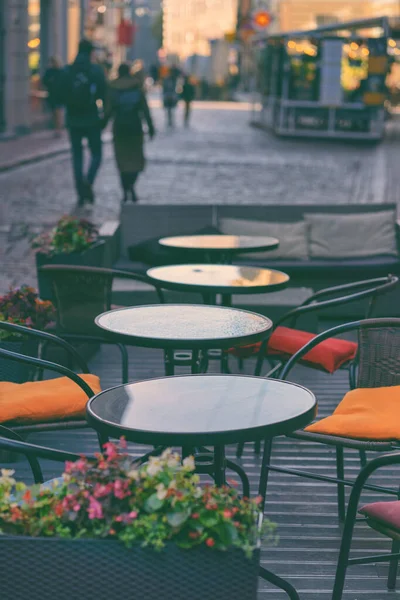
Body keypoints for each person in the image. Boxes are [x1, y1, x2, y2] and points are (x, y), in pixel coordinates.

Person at [61, 39, 107, 206]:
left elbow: (62, 93)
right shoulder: (95, 70)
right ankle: (88, 181)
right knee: (97, 154)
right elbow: (103, 93)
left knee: (77, 156)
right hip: (91, 118)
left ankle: (80, 191)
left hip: (73, 119)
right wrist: (104, 116)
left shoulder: (68, 70)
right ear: (90, 52)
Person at [104, 63, 155, 203]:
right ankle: (131, 186)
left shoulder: (113, 87)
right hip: (135, 127)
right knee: (135, 160)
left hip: (119, 127)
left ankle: (126, 189)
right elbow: (145, 109)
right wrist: (150, 127)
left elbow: (108, 110)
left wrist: (101, 125)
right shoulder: (137, 87)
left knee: (122, 161)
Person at [42, 57, 64, 137]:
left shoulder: (61, 71)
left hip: (59, 95)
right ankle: (57, 128)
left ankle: (58, 129)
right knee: (54, 113)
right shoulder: (49, 71)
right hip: (52, 95)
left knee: (58, 112)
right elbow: (44, 81)